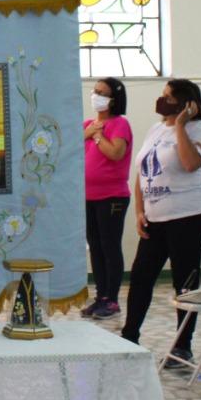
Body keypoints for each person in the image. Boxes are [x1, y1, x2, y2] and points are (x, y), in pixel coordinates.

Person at [121, 79, 201, 368]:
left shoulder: (199, 129)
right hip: (155, 216)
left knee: (184, 282)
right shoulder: (156, 129)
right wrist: (139, 211)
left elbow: (190, 164)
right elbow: (142, 172)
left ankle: (183, 345)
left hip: (188, 215)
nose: (162, 101)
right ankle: (129, 336)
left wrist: (182, 126)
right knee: (141, 276)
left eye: (168, 97)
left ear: (186, 103)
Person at [80, 77, 132, 320]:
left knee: (110, 246)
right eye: (94, 91)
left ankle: (111, 299)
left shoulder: (119, 124)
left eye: (102, 92)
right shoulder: (88, 125)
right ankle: (100, 296)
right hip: (88, 196)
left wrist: (97, 137)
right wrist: (87, 133)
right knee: (96, 247)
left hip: (112, 196)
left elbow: (116, 153)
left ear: (113, 99)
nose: (96, 95)